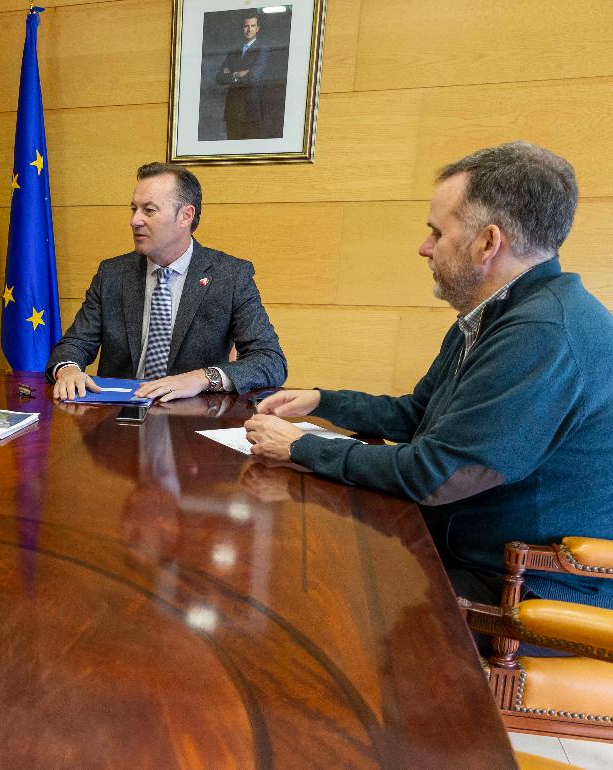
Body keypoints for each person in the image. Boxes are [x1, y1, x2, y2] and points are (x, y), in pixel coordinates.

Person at [244, 141, 613, 609]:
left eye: (437, 233)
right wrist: (321, 401)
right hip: (467, 552)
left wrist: (299, 445)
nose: (424, 248)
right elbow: (420, 414)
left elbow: (438, 475)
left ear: (487, 243)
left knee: (316, 596)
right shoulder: (501, 313)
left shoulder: (542, 332)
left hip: (521, 586)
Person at [47, 162, 286, 402]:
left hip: (192, 417)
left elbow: (270, 360)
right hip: (118, 415)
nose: (134, 221)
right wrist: (68, 369)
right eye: (134, 209)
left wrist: (202, 377)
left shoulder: (230, 276)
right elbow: (75, 344)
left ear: (185, 216)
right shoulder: (113, 274)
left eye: (148, 210)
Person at [215, 13, 270, 140]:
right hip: (233, 111)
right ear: (242, 28)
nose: (249, 29)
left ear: (258, 28)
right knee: (232, 152)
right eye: (246, 26)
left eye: (253, 26)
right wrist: (237, 74)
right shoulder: (234, 51)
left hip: (251, 110)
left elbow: (253, 78)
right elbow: (219, 78)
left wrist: (231, 74)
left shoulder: (263, 50)